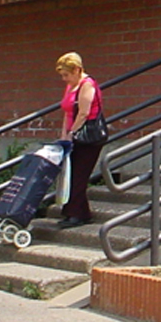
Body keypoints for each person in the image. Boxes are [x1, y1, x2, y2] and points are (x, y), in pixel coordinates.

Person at [55, 52, 105, 228]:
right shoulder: (71, 85)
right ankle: (79, 213)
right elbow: (67, 111)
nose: (64, 79)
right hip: (73, 135)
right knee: (71, 174)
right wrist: (64, 135)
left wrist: (71, 133)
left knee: (79, 175)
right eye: (62, 75)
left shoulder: (87, 85)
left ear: (77, 70)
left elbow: (83, 113)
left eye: (66, 75)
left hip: (88, 138)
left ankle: (76, 213)